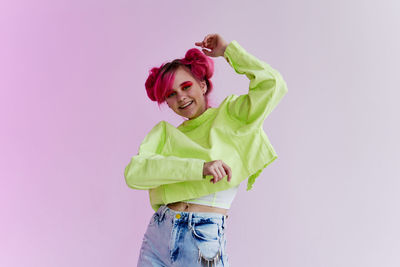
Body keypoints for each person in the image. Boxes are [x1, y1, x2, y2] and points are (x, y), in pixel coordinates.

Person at [124, 33, 288, 267]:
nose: (181, 97)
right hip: (157, 236)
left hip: (201, 235)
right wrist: (200, 168)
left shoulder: (231, 116)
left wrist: (229, 51)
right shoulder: (164, 134)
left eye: (186, 86)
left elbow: (273, 84)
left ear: (202, 85)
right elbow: (135, 173)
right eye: (171, 94)